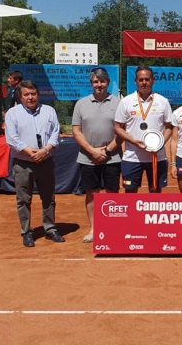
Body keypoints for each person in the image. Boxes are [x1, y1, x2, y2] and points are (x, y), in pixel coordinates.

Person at [5, 80, 64, 247]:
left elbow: (56, 133)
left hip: (46, 161)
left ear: (38, 94)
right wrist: (29, 152)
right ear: (20, 96)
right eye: (26, 94)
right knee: (23, 199)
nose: (30, 97)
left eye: (33, 94)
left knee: (49, 198)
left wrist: (45, 150)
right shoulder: (12, 113)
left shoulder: (49, 111)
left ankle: (50, 228)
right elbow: (12, 138)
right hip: (23, 163)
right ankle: (27, 232)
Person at [72, 68, 122, 243]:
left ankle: (112, 228)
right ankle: (95, 229)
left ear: (108, 83)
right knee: (92, 193)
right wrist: (92, 151)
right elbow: (76, 131)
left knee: (112, 193)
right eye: (95, 82)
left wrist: (107, 151)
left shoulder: (118, 103)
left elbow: (122, 131)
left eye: (102, 81)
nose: (99, 85)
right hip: (87, 157)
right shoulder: (81, 103)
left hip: (113, 156)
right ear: (91, 84)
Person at [114, 66, 173, 193]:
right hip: (132, 157)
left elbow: (169, 127)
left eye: (147, 79)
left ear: (153, 80)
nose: (144, 82)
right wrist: (134, 141)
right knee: (130, 193)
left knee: (155, 193)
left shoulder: (163, 101)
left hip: (157, 156)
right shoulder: (126, 102)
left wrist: (160, 143)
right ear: (135, 81)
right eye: (141, 80)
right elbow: (118, 128)